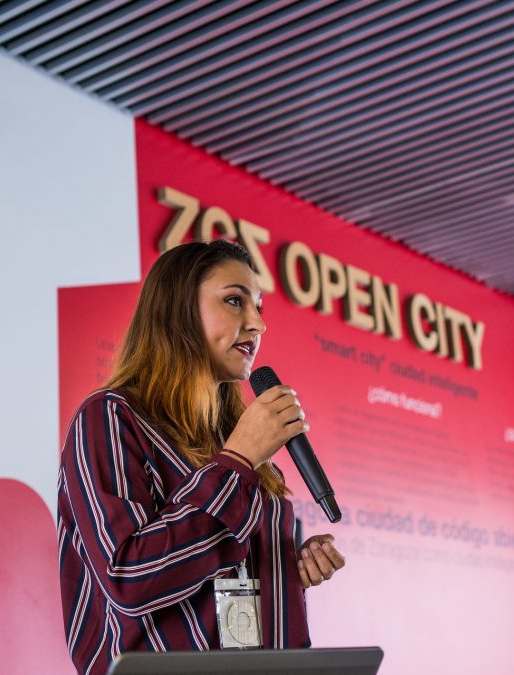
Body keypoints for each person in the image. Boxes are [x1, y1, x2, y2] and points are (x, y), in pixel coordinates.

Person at [57, 240, 345, 673]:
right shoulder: (109, 418)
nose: (258, 324)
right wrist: (239, 462)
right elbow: (127, 578)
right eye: (234, 301)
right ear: (178, 311)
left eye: (259, 307)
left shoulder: (233, 442)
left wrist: (283, 571)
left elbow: (220, 597)